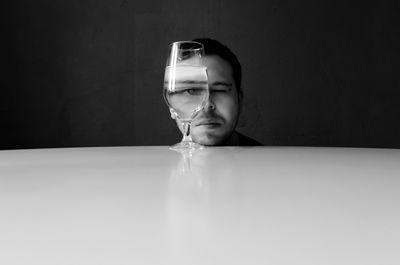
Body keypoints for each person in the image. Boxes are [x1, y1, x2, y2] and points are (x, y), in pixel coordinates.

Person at [170, 38, 262, 146]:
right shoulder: (153, 162)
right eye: (191, 91)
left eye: (219, 90)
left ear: (239, 100)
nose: (207, 104)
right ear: (171, 105)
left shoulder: (270, 162)